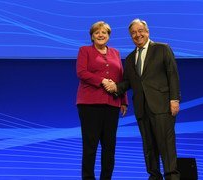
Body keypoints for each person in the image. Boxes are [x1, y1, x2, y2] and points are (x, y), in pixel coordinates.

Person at [104, 19, 181, 180]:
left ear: (147, 32)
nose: (137, 35)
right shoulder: (131, 58)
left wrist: (174, 99)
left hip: (161, 106)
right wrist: (116, 87)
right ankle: (154, 176)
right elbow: (127, 82)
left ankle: (171, 176)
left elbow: (172, 74)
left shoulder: (162, 49)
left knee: (166, 145)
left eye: (140, 31)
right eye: (133, 33)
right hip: (142, 108)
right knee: (148, 146)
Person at [76, 21, 128, 180]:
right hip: (89, 105)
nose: (100, 35)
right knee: (90, 146)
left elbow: (121, 77)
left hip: (112, 104)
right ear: (92, 36)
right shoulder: (84, 50)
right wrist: (102, 81)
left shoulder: (116, 53)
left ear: (108, 36)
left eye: (104, 32)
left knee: (109, 147)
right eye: (97, 32)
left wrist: (124, 100)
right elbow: (81, 72)